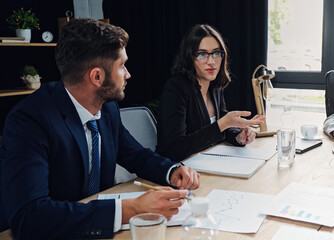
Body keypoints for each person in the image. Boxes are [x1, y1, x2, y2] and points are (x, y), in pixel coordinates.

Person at [0, 18, 200, 239]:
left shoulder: (107, 108)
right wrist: (131, 209)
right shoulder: (29, 121)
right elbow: (29, 218)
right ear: (97, 76)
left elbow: (135, 155)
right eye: (122, 65)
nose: (128, 74)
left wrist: (171, 172)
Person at [156, 24, 265, 162]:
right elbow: (174, 150)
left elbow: (223, 127)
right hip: (178, 170)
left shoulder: (214, 86)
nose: (211, 61)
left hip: (205, 163)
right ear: (190, 57)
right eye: (202, 54)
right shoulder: (176, 88)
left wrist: (239, 135)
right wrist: (223, 123)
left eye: (216, 53)